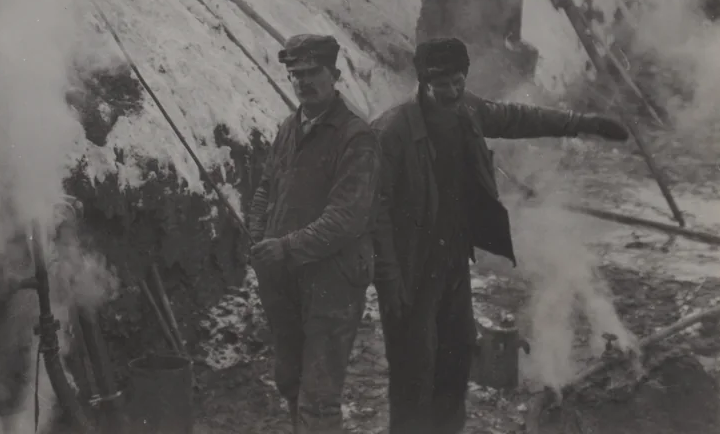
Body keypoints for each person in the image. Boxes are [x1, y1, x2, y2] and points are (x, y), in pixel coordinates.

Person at [373, 37, 629, 434]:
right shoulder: (392, 132)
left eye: (459, 80)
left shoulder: (466, 110)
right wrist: (389, 279)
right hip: (411, 271)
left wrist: (581, 124)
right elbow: (374, 211)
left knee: (456, 359)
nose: (454, 91)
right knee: (413, 373)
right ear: (424, 82)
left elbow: (516, 117)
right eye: (443, 84)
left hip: (453, 262)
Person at [248, 33, 381, 434]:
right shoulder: (290, 127)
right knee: (290, 379)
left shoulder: (356, 136)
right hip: (286, 279)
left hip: (333, 281)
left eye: (312, 73)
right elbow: (264, 188)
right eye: (295, 74)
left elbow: (346, 217)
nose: (304, 82)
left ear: (334, 74)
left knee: (319, 397)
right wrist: (258, 235)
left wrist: (285, 247)